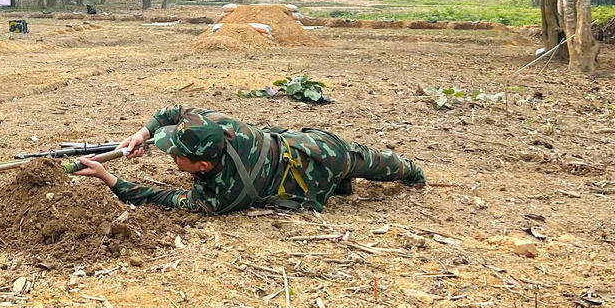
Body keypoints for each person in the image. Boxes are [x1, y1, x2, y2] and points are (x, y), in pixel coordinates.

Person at [72, 106, 426, 213]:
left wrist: (109, 178)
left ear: (203, 167)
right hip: (311, 146)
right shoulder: (219, 127)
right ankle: (409, 172)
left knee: (379, 167)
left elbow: (161, 197)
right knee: (376, 163)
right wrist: (143, 133)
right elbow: (176, 111)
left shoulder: (223, 195)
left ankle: (414, 175)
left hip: (315, 169)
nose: (172, 158)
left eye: (177, 156)